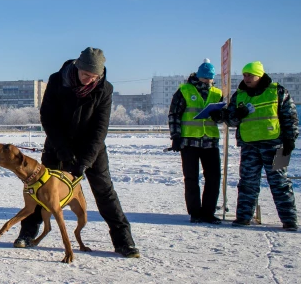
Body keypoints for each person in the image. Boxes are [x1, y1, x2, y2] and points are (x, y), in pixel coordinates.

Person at [14, 47, 140, 258]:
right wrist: (62, 150)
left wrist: (85, 161)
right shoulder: (57, 80)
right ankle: (27, 233)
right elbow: (48, 117)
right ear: (77, 67)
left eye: (94, 77)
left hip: (91, 149)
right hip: (57, 145)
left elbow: (100, 128)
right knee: (40, 189)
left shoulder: (104, 89)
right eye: (85, 75)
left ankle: (123, 241)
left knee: (105, 192)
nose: (89, 80)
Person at [210, 61, 298, 231]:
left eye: (250, 75)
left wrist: (290, 140)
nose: (247, 78)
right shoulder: (240, 95)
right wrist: (230, 114)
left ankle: (289, 220)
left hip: (277, 146)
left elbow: (290, 117)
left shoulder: (277, 91)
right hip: (249, 146)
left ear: (260, 75)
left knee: (281, 182)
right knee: (247, 183)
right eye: (244, 75)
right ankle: (243, 217)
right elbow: (231, 120)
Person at [168, 59, 223, 224]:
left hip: (210, 142)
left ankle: (208, 212)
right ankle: (195, 212)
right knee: (191, 178)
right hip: (189, 142)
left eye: (210, 78)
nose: (207, 81)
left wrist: (219, 116)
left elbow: (222, 116)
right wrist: (176, 137)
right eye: (204, 78)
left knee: (213, 178)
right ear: (198, 76)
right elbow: (174, 115)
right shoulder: (184, 90)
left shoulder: (217, 93)